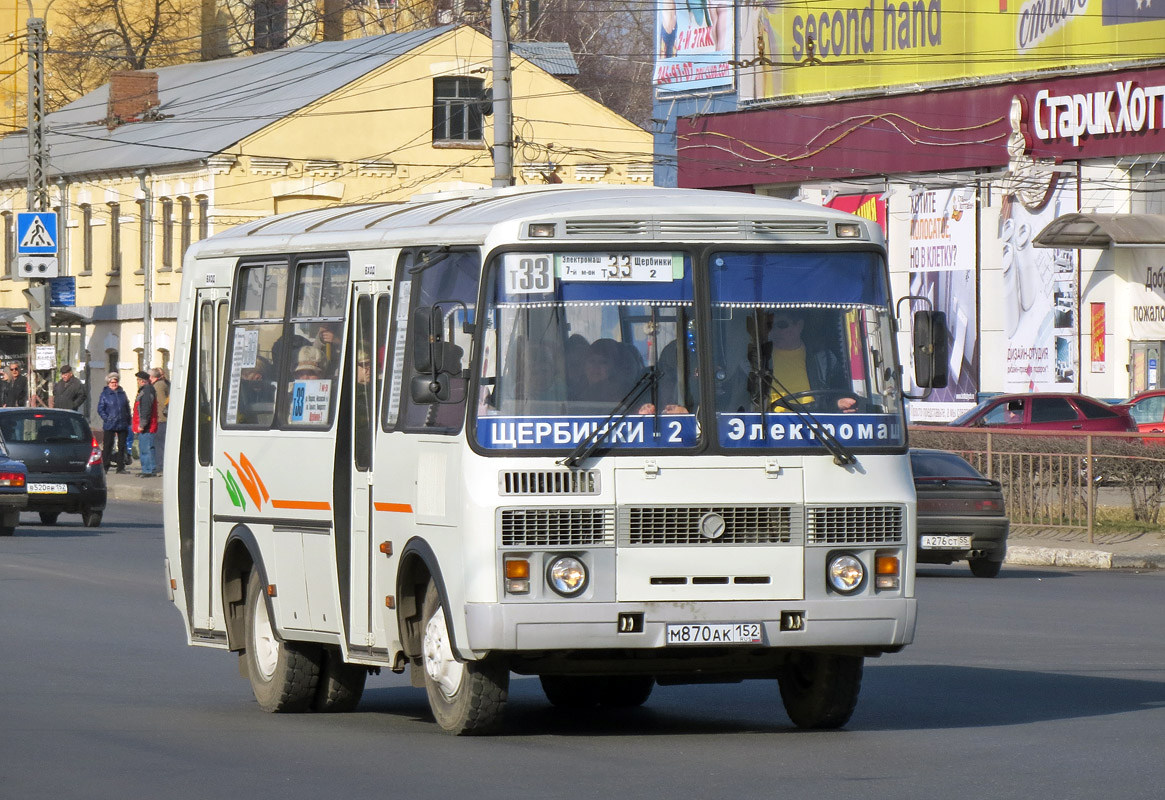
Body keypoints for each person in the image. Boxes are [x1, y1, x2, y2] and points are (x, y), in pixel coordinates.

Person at [753, 310, 856, 412]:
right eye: (770, 325)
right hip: (768, 425)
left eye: (782, 325)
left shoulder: (824, 359)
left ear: (799, 325)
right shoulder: (755, 359)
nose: (774, 331)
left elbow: (840, 393)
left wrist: (839, 403)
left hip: (814, 424)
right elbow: (741, 400)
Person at [97, 373, 131, 474]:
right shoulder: (105, 394)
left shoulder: (122, 393)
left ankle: (120, 467)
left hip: (122, 422)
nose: (114, 384)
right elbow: (100, 409)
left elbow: (127, 407)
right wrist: (107, 418)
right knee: (108, 445)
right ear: (108, 383)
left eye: (116, 382)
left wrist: (128, 419)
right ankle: (105, 466)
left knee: (122, 446)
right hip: (110, 423)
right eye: (112, 382)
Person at [132, 371, 159, 478]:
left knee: (145, 448)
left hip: (147, 426)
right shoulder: (148, 390)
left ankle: (147, 470)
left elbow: (145, 410)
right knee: (149, 447)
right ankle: (151, 468)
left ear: (142, 380)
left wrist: (142, 424)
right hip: (149, 425)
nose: (137, 382)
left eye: (138, 380)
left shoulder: (146, 392)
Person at [150, 368, 170, 470]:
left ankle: (160, 465)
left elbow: (163, 402)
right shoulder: (164, 384)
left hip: (161, 419)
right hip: (161, 418)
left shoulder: (159, 385)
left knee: (159, 443)